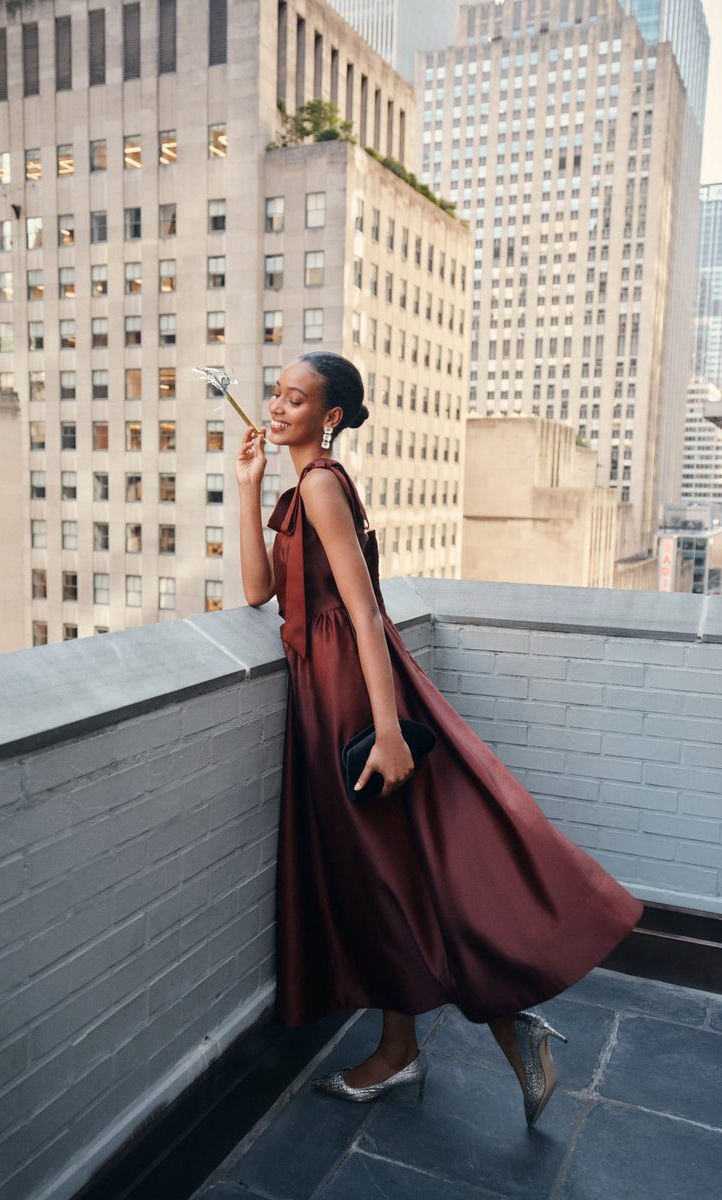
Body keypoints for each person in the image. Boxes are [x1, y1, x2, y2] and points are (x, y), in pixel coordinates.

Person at [235, 351, 642, 1127]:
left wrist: (386, 733)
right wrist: (249, 487)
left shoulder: (321, 485)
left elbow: (363, 616)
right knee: (386, 877)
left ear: (330, 418)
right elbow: (259, 592)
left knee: (394, 879)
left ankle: (472, 1028)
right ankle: (427, 1041)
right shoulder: (298, 489)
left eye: (297, 398)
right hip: (327, 694)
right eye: (276, 393)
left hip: (350, 700)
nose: (278, 406)